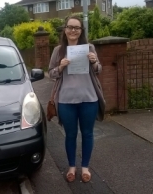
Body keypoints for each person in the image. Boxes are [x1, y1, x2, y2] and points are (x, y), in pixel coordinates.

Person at [48, 15, 105, 183]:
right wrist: (61, 66)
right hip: (66, 101)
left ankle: (85, 166)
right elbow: (51, 73)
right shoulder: (58, 50)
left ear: (81, 31)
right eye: (70, 27)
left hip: (89, 99)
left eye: (77, 28)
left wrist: (94, 62)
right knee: (70, 135)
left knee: (87, 134)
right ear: (65, 30)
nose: (73, 30)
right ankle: (72, 166)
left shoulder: (89, 48)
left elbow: (99, 69)